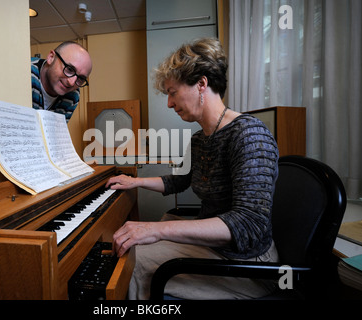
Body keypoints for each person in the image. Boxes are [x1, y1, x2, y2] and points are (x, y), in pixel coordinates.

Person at [105, 38, 280, 300]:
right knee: (146, 235)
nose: (168, 103)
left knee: (132, 260)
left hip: (249, 265)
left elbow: (249, 224)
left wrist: (155, 230)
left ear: (201, 83)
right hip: (216, 249)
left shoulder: (249, 135)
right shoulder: (200, 139)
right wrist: (135, 182)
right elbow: (179, 181)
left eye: (172, 92)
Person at [31, 41, 92, 121]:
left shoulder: (73, 95)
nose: (72, 82)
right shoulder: (26, 74)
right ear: (51, 57)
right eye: (69, 69)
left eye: (80, 78)